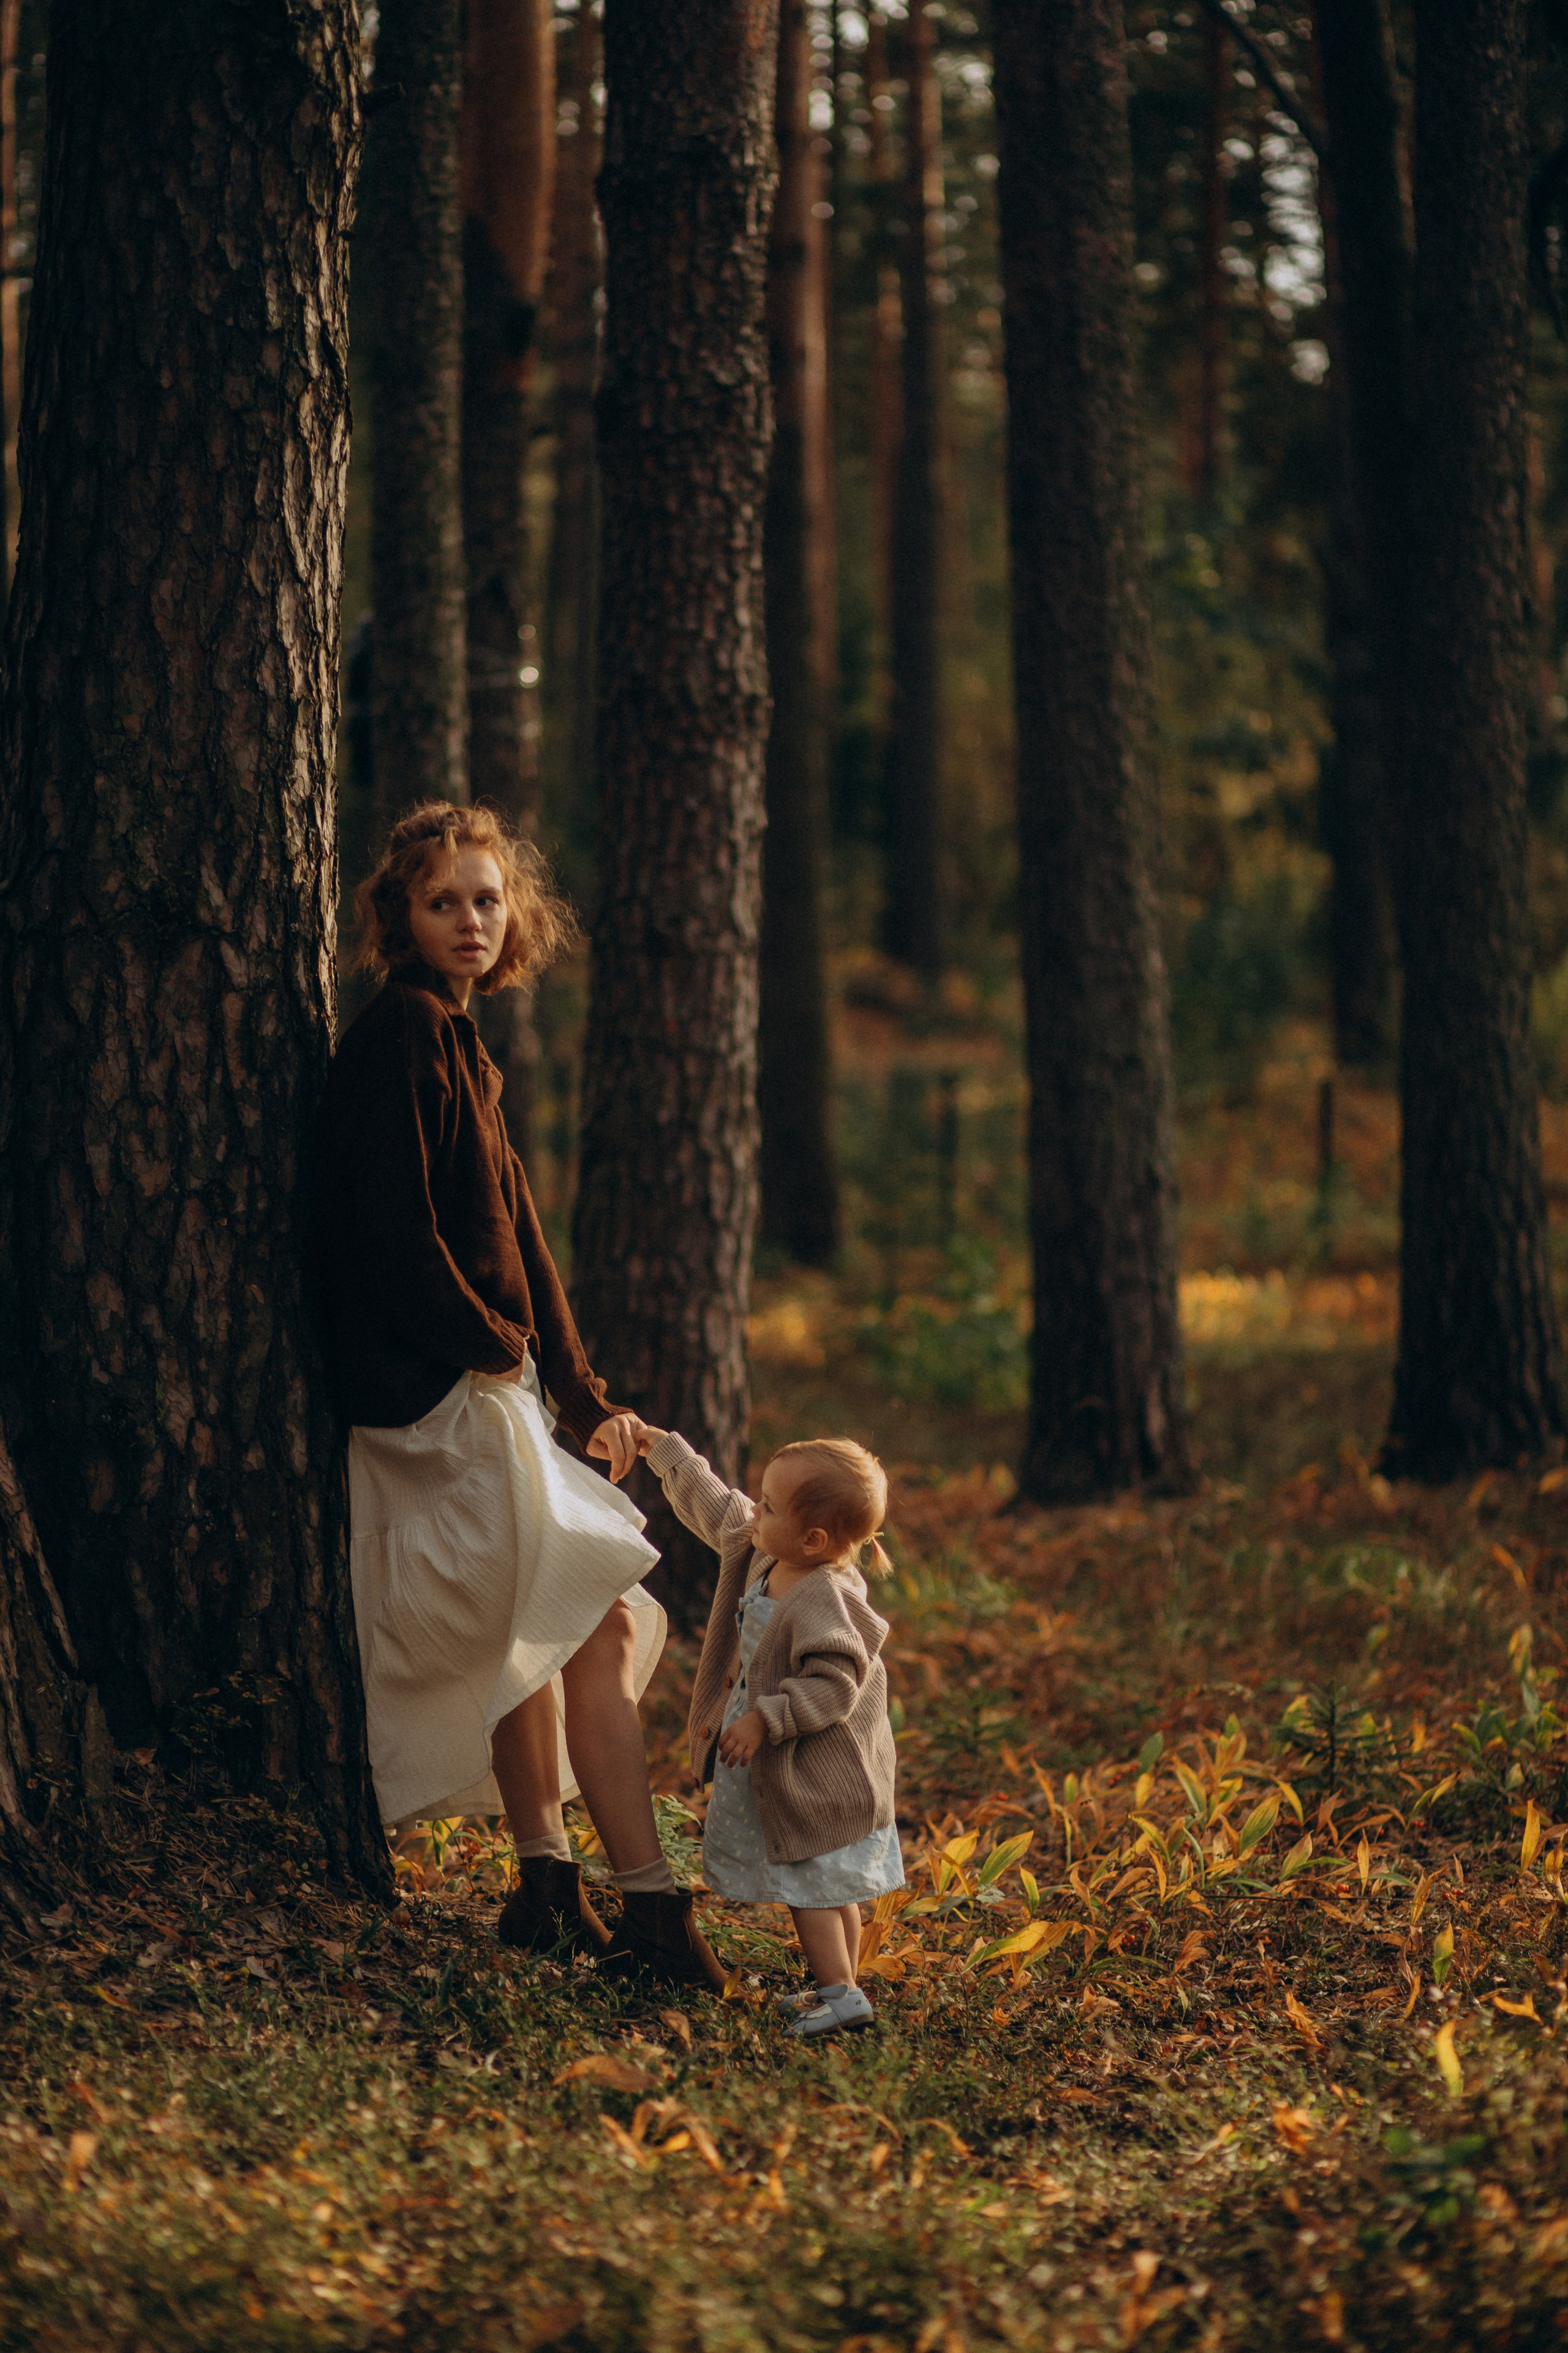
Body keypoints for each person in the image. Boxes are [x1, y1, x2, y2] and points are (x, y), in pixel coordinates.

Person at [311, 799, 724, 1990]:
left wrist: (583, 1391)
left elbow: (522, 1238)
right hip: (434, 1396)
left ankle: (548, 1884)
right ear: (400, 915)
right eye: (443, 902)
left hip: (486, 1381)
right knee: (582, 1615)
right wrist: (490, 1345)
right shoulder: (398, 1032)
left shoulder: (458, 1040)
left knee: (540, 1628)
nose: (471, 921)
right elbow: (388, 1231)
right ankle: (650, 1913)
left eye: (488, 900)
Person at [636, 1425, 903, 2038]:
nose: (754, 1510)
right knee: (832, 1883)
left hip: (813, 1767)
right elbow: (718, 1507)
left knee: (810, 1883)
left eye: (769, 1506)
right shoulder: (768, 1550)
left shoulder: (823, 1596)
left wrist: (766, 1717)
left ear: (814, 1538)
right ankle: (846, 1986)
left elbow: (835, 1685)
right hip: (787, 1758)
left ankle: (839, 1993)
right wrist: (665, 1452)